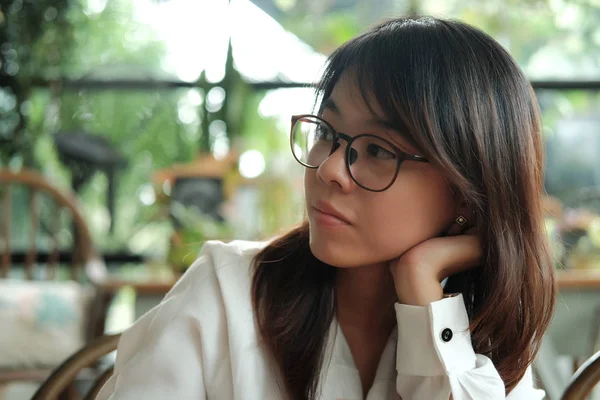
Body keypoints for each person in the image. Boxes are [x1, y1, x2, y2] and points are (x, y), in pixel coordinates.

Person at [96, 15, 556, 400]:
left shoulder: (489, 338)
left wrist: (422, 291)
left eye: (377, 150)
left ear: (466, 191)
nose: (329, 168)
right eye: (328, 134)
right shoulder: (225, 294)